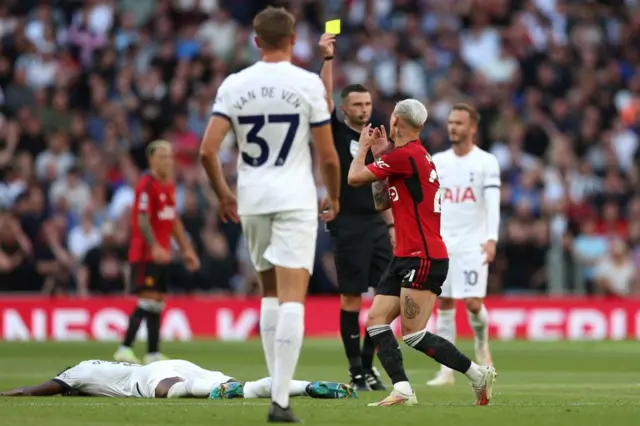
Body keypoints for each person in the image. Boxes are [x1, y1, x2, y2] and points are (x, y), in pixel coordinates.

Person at [199, 7, 340, 423]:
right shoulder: (307, 84)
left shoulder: (235, 84)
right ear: (294, 39)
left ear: (255, 41)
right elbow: (328, 156)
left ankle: (276, 392)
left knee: (269, 293)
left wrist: (224, 195)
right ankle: (280, 400)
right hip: (294, 198)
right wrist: (334, 197)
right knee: (294, 295)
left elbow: (207, 150)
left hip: (252, 198)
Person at [347, 99, 497, 407]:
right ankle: (402, 388)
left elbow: (354, 178)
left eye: (390, 118)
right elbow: (381, 203)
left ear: (397, 121)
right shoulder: (412, 158)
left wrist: (362, 148)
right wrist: (378, 154)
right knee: (376, 320)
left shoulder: (407, 155)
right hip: (405, 255)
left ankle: (477, 374)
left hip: (423, 257)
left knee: (413, 335)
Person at [318, 32, 390, 391]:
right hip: (346, 224)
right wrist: (328, 59)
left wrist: (390, 224)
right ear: (345, 109)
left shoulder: (378, 140)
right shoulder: (335, 131)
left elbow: (382, 188)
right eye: (357, 105)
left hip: (376, 225)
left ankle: (367, 364)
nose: (364, 110)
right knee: (350, 298)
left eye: (367, 104)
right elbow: (323, 96)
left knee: (388, 297)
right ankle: (355, 370)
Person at [427, 103, 501, 386]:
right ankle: (446, 369)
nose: (452, 127)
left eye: (459, 123)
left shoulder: (486, 162)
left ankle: (482, 345)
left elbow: (493, 204)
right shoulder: (438, 161)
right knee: (444, 302)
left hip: (474, 243)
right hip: (443, 242)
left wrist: (491, 238)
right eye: (450, 122)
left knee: (471, 302)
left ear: (472, 127)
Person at [114, 141, 200, 365]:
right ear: (151, 160)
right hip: (145, 253)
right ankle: (124, 348)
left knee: (158, 301)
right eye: (162, 156)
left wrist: (187, 250)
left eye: (170, 156)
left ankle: (152, 352)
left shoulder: (169, 186)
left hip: (162, 254)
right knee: (148, 299)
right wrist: (154, 245)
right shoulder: (146, 184)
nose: (168, 161)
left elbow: (174, 221)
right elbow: (142, 220)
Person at [0, 359, 357, 401]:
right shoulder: (106, 364)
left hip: (153, 376)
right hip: (177, 363)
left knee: (168, 394)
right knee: (243, 388)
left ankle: (237, 390)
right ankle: (307, 386)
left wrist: (7, 392)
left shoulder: (73, 374)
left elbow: (36, 390)